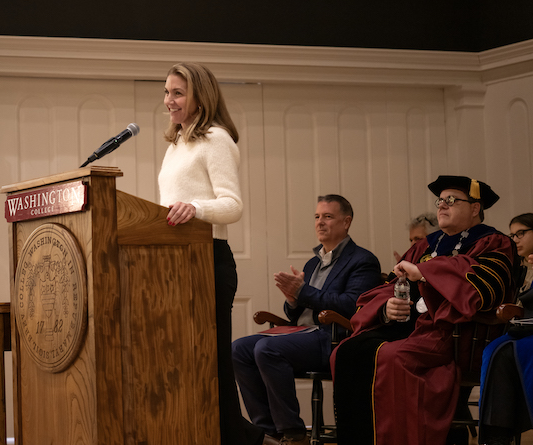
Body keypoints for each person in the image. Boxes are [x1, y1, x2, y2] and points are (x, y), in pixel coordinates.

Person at [331, 175, 517, 445]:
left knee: (393, 357)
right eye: (440, 200)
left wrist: (426, 272)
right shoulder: (426, 245)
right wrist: (386, 307)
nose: (441, 206)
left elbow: (486, 289)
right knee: (344, 352)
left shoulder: (494, 243)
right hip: (411, 328)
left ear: (475, 208)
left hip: (453, 333)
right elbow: (392, 283)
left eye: (451, 200)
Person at [158, 62, 264, 445]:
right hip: (173, 264)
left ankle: (238, 439)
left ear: (201, 96)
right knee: (181, 362)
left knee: (210, 363)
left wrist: (196, 208)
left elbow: (231, 205)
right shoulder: (176, 144)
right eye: (167, 92)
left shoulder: (216, 138)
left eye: (177, 93)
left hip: (207, 261)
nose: (168, 100)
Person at [231, 194, 382, 445]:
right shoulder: (313, 263)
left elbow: (351, 306)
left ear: (346, 222)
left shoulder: (362, 261)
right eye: (317, 217)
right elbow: (296, 312)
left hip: (332, 338)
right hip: (301, 333)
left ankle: (292, 432)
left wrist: (303, 292)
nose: (320, 222)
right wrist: (292, 299)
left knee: (266, 348)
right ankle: (268, 431)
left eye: (328, 217)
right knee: (238, 349)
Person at [477, 213, 533, 445]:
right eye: (512, 235)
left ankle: (499, 433)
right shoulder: (519, 265)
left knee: (505, 351)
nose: (515, 239)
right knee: (495, 349)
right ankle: (495, 434)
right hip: (526, 327)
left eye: (521, 233)